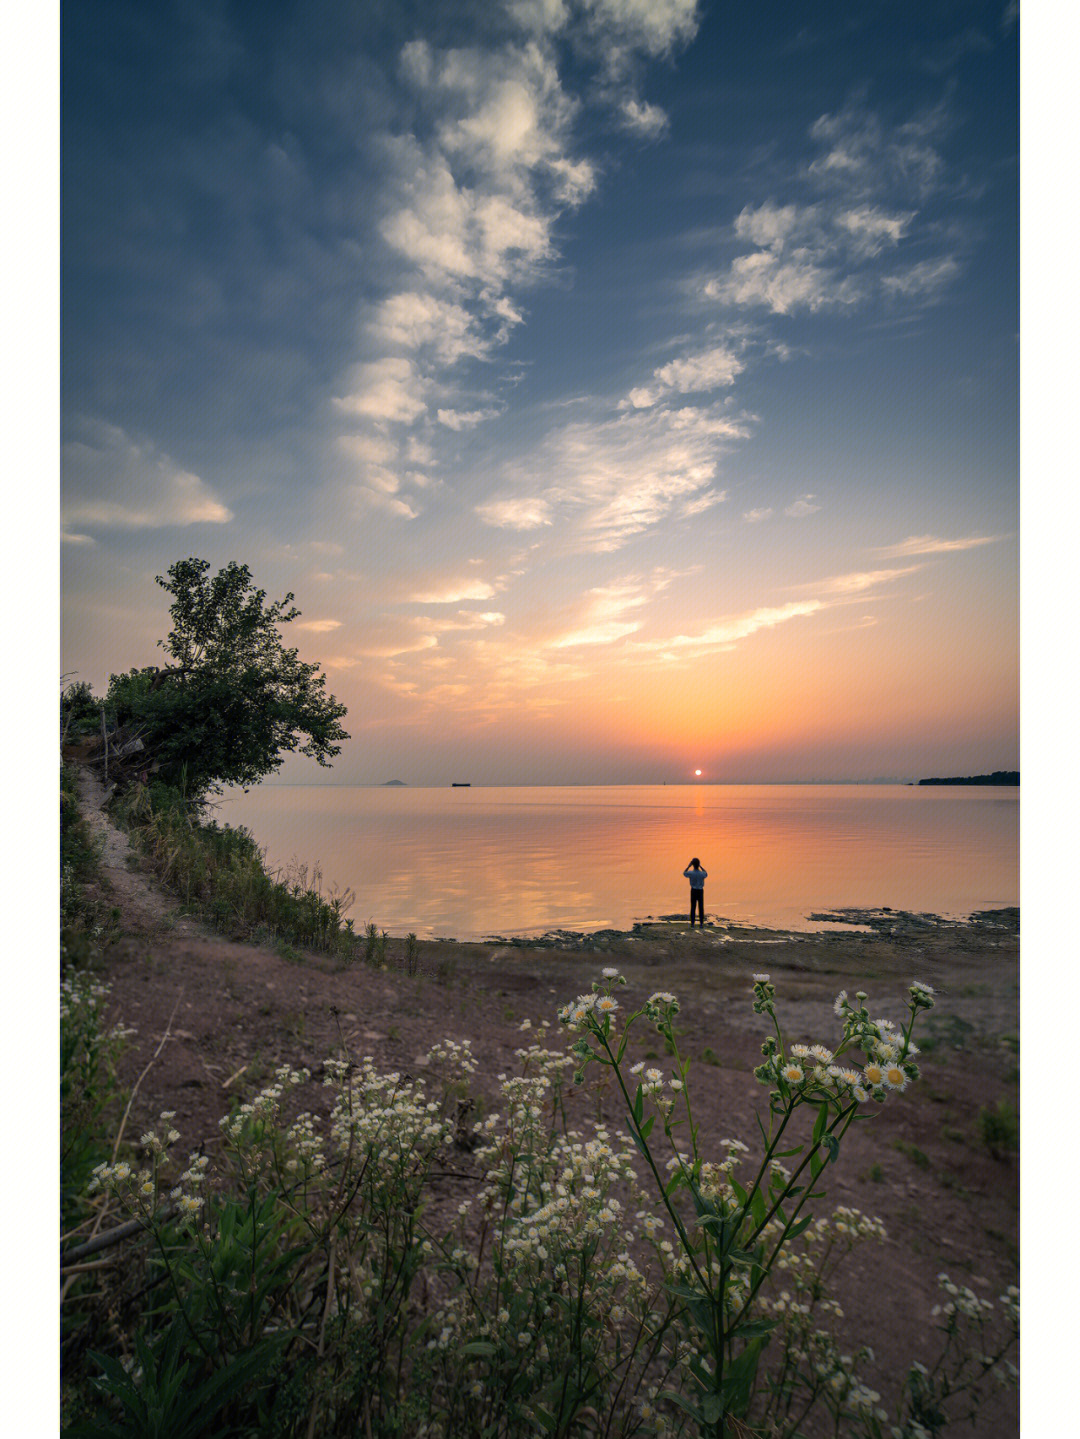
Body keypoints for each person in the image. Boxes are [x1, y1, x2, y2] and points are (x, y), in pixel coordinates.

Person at [684, 858, 707, 926]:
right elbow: (706, 873)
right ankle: (701, 923)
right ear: (698, 864)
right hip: (700, 891)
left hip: (693, 890)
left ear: (693, 865)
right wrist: (701, 866)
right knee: (701, 906)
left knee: (693, 907)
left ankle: (692, 923)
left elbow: (684, 873)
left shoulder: (691, 873)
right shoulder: (702, 873)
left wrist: (688, 866)